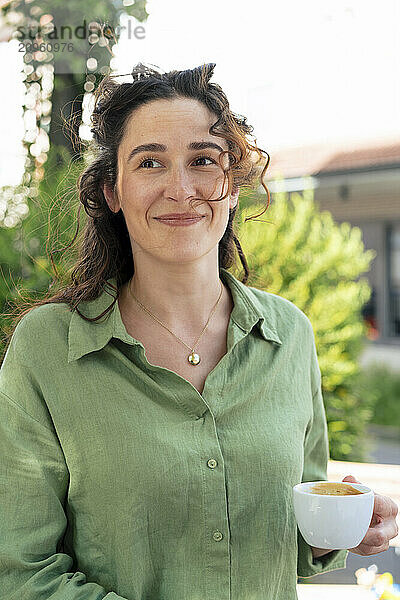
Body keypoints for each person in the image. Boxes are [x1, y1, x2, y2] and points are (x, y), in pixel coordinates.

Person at [0, 62, 397, 600]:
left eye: (204, 161)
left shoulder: (290, 335)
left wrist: (341, 528)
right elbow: (20, 572)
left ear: (233, 186)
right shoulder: (47, 348)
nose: (181, 188)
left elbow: (293, 538)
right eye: (149, 163)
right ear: (112, 191)